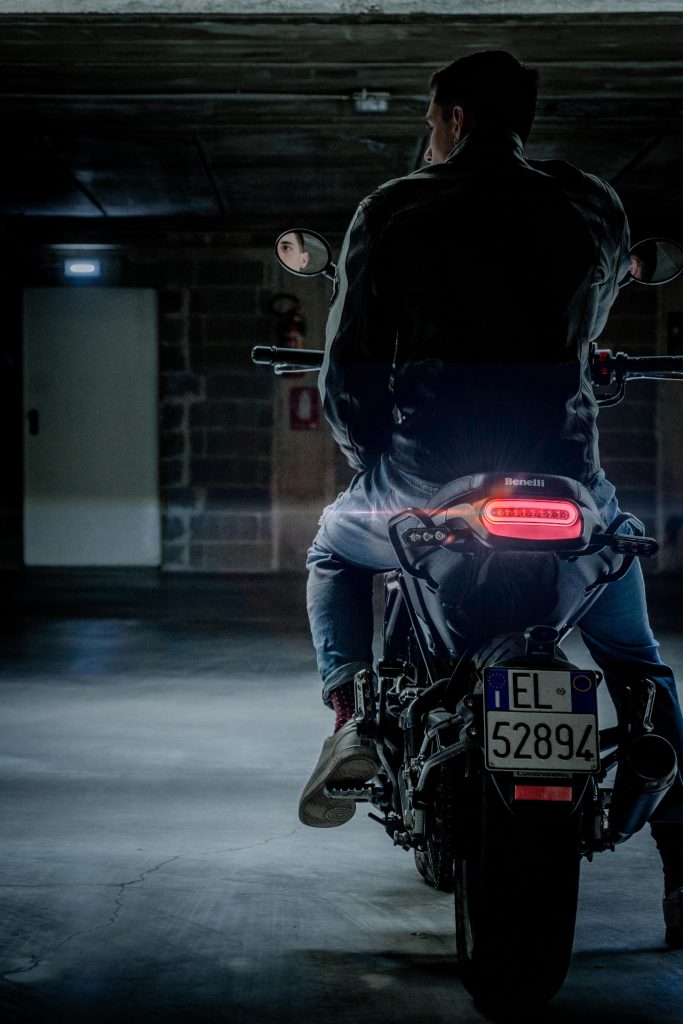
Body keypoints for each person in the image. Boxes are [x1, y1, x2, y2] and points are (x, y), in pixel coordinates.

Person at [298, 50, 683, 945]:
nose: (430, 134)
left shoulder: (393, 206)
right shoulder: (590, 203)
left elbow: (351, 362)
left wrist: (369, 458)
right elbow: (583, 332)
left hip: (427, 483)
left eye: (433, 118)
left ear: (455, 118)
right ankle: (677, 852)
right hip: (564, 482)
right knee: (636, 663)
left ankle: (352, 715)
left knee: (329, 544)